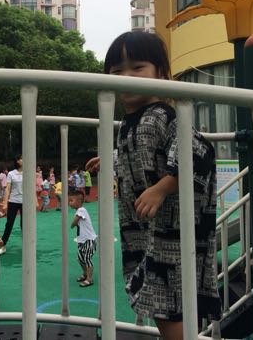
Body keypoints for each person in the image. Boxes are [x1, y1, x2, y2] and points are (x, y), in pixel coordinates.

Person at [85, 31, 221, 339]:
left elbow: (199, 152)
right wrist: (113, 158)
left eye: (137, 68)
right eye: (117, 71)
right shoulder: (131, 121)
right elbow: (145, 153)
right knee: (155, 296)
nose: (126, 77)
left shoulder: (161, 115)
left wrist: (162, 188)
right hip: (144, 228)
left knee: (167, 301)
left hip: (169, 229)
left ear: (161, 73)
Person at [69, 190, 97, 287]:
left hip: (89, 240)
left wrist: (72, 224)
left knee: (87, 258)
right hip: (82, 240)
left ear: (78, 201)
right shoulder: (78, 211)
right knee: (80, 258)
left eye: (71, 200)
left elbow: (75, 222)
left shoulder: (81, 210)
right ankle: (85, 274)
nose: (69, 203)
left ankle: (89, 279)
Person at [0, 154, 23, 255]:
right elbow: (7, 189)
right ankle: (3, 245)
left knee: (25, 225)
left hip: (25, 202)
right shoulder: (11, 174)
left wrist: (35, 201)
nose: (23, 160)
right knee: (9, 223)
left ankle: (27, 245)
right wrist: (5, 203)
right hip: (13, 201)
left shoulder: (28, 172)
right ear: (17, 161)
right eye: (21, 158)